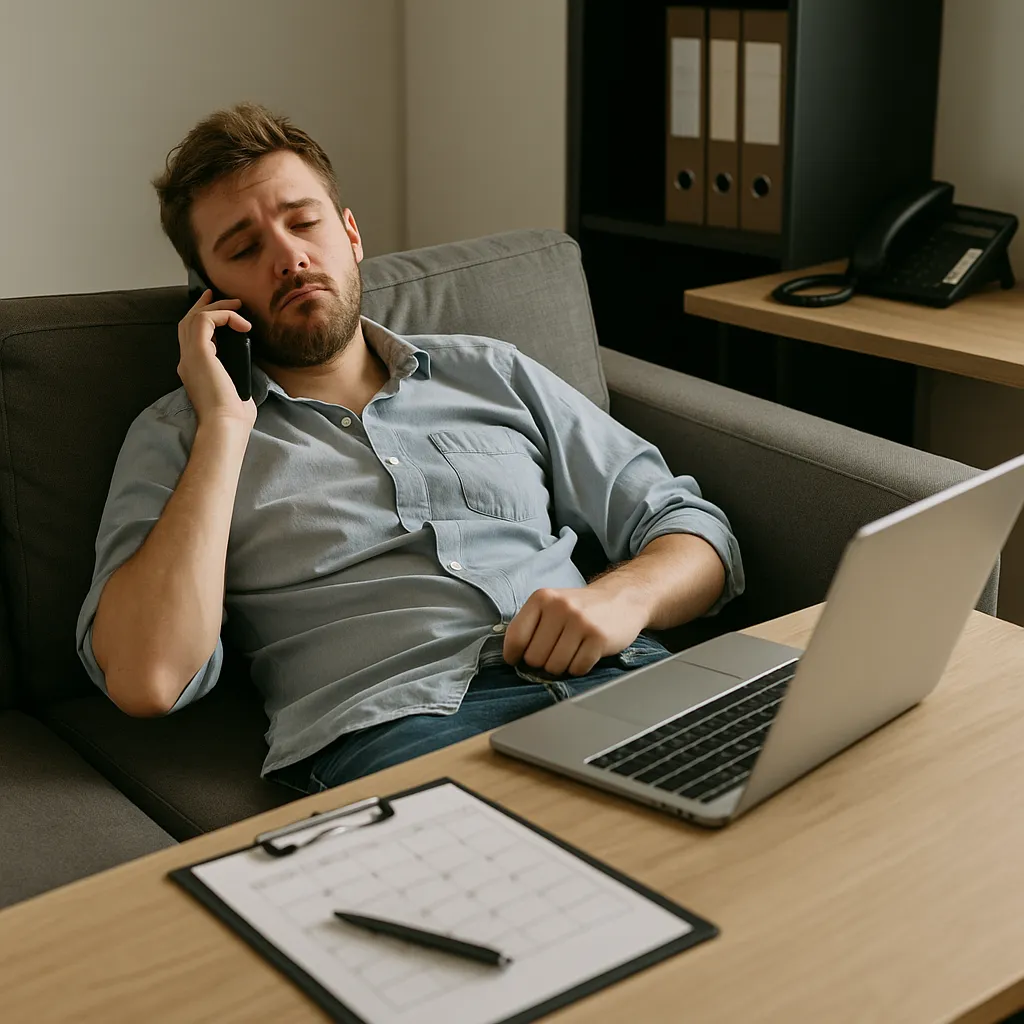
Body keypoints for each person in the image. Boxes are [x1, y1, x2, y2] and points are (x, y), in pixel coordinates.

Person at [75, 102, 744, 796]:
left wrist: (623, 599)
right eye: (244, 250)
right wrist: (224, 425)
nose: (290, 257)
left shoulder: (491, 371)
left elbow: (698, 534)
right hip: (404, 731)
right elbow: (148, 678)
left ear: (350, 233)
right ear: (211, 295)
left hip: (623, 675)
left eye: (304, 222)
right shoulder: (179, 435)